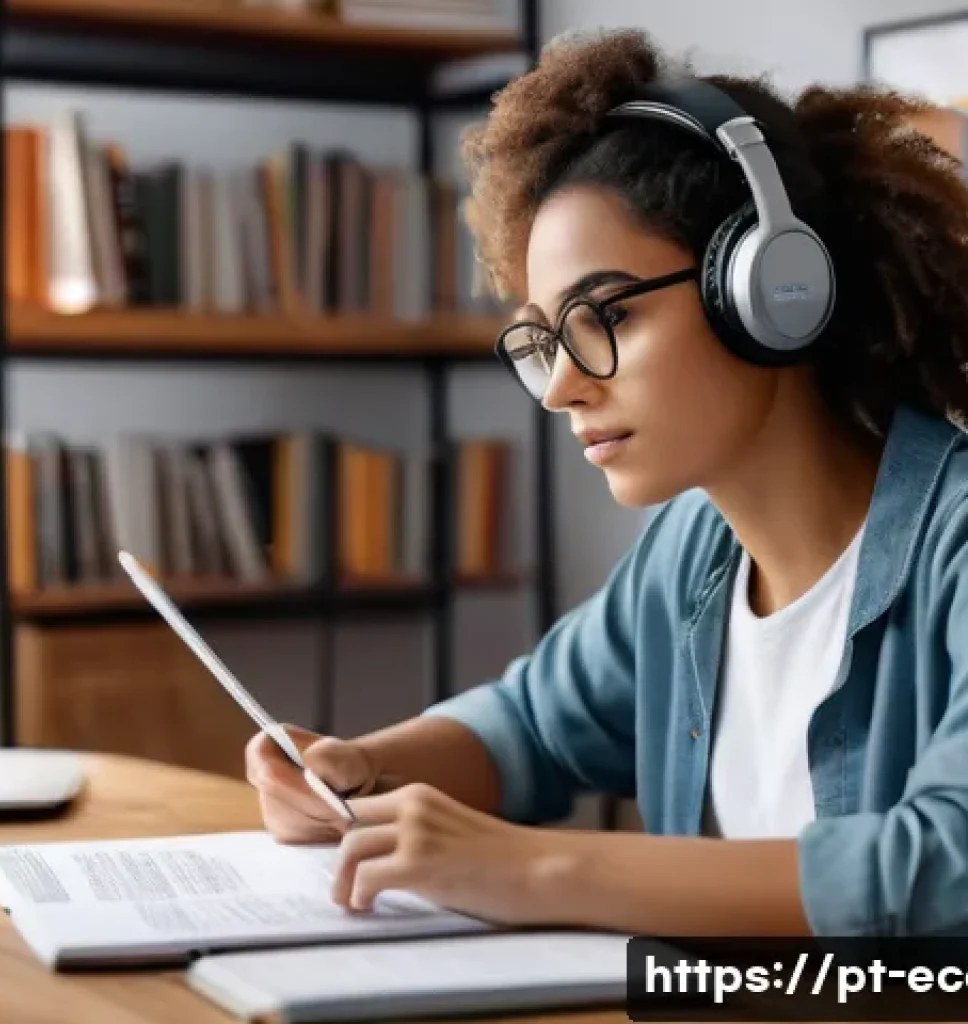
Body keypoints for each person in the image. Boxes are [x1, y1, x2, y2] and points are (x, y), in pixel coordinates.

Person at [247, 28, 968, 938]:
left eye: (606, 315)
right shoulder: (692, 554)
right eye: (546, 338)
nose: (561, 387)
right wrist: (360, 770)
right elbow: (532, 727)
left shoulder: (955, 545)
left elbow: (945, 865)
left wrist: (533, 867)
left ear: (771, 290)